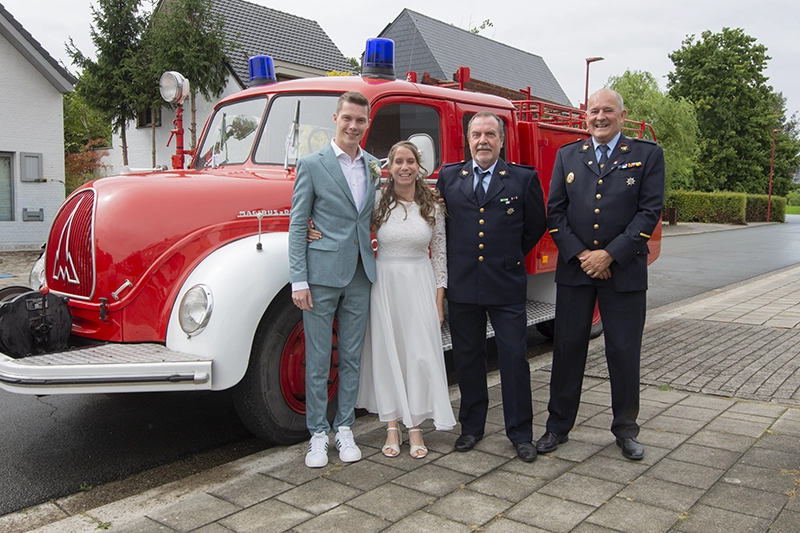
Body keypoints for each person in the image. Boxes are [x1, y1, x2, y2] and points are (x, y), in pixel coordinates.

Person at [537, 88, 665, 461]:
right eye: (594, 111)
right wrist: (583, 255)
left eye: (608, 111)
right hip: (576, 273)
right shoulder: (567, 155)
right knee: (567, 351)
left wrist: (609, 255)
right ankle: (557, 427)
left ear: (622, 116)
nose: (600, 117)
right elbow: (555, 213)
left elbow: (649, 212)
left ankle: (625, 431)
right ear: (585, 116)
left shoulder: (647, 155)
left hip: (624, 273)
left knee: (624, 353)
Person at [309, 141, 456, 459]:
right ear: (388, 167)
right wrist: (313, 227)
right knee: (389, 353)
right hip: (384, 284)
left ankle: (415, 426)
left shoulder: (433, 205)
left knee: (417, 354)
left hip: (419, 283)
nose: (405, 167)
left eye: (411, 161)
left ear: (419, 166)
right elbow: (346, 221)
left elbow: (440, 253)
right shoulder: (377, 202)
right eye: (398, 161)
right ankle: (391, 425)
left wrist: (439, 296)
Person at [436, 111, 547, 462]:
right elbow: (442, 230)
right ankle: (472, 427)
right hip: (464, 284)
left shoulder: (521, 179)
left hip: (505, 283)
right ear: (468, 140)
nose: (482, 140)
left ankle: (521, 433)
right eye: (476, 135)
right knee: (469, 358)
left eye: (489, 134)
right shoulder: (450, 178)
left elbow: (535, 226)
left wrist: (507, 257)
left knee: (514, 357)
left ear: (501, 140)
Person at [288, 91, 381, 468]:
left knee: (353, 356)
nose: (353, 126)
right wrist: (299, 279)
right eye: (348, 118)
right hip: (321, 273)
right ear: (335, 118)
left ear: (367, 123)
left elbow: (374, 214)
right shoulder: (312, 164)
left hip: (361, 272)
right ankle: (317, 434)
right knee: (318, 356)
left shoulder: (374, 166)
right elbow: (297, 223)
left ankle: (344, 427)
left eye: (360, 120)